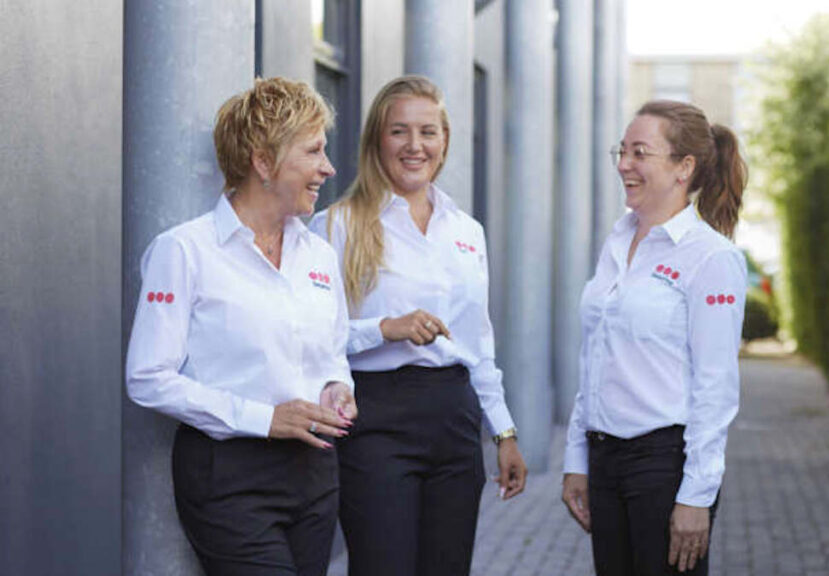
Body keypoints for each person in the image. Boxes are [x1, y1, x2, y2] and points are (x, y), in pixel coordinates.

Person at [125, 77, 358, 576]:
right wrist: (262, 418)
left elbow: (333, 352)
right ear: (263, 162)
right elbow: (147, 377)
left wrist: (339, 386)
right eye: (313, 151)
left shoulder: (319, 254)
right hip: (228, 476)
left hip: (315, 472)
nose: (329, 167)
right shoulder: (184, 251)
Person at [309, 75, 527, 576]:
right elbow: (314, 339)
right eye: (399, 131)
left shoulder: (466, 231)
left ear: (445, 140)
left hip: (454, 418)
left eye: (428, 132)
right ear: (376, 140)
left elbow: (479, 343)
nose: (415, 145)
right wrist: (385, 328)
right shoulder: (336, 226)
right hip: (374, 419)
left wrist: (504, 432)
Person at [561, 100, 748, 576]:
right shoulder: (618, 242)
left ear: (684, 167)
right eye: (622, 151)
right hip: (605, 460)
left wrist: (696, 496)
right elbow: (595, 360)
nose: (624, 164)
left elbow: (716, 387)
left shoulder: (711, 258)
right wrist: (577, 460)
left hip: (664, 467)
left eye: (640, 152)